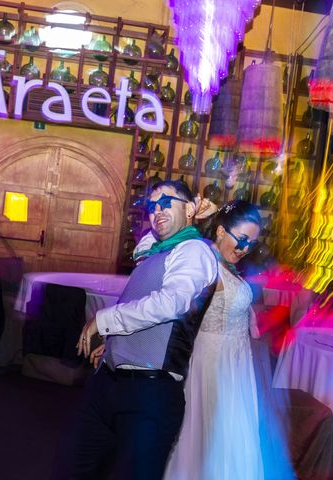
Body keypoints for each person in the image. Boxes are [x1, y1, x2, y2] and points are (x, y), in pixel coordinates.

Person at [70, 180, 218, 480]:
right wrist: (114, 344)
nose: (157, 209)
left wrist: (104, 320)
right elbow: (144, 249)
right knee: (73, 469)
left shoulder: (194, 251)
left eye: (167, 201)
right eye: (152, 205)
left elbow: (170, 304)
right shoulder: (160, 250)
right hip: (108, 385)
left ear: (190, 207)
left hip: (149, 395)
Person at [163, 200, 265, 480]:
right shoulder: (204, 262)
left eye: (251, 244)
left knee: (231, 436)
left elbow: (231, 298)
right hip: (213, 363)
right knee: (208, 437)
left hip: (236, 363)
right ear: (220, 232)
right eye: (242, 239)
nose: (245, 249)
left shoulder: (227, 265)